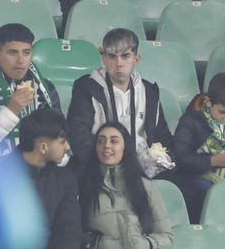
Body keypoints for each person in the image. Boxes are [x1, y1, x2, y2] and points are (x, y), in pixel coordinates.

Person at [67, 27, 174, 178]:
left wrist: (162, 160)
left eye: (125, 56)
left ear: (136, 59)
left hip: (143, 168)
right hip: (101, 164)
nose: (119, 63)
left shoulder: (149, 92)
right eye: (112, 56)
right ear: (104, 59)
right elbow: (79, 135)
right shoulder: (86, 87)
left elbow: (162, 137)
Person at [79, 121, 174, 249]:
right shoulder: (84, 186)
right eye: (100, 141)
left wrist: (147, 246)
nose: (107, 146)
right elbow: (74, 232)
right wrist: (97, 244)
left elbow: (166, 237)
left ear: (125, 147)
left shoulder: (145, 187)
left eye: (114, 141)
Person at [0, 23, 61, 155]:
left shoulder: (45, 88)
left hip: (38, 168)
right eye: (13, 52)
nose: (21, 60)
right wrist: (11, 110)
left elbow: (60, 139)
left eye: (26, 53)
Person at [171, 73, 225, 218]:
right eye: (222, 112)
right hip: (196, 182)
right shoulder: (191, 121)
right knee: (208, 191)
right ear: (208, 102)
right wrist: (212, 161)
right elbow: (180, 158)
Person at [11, 109, 81, 249]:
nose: (68, 147)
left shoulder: (65, 179)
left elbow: (69, 227)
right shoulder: (1, 175)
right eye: (62, 142)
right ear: (43, 147)